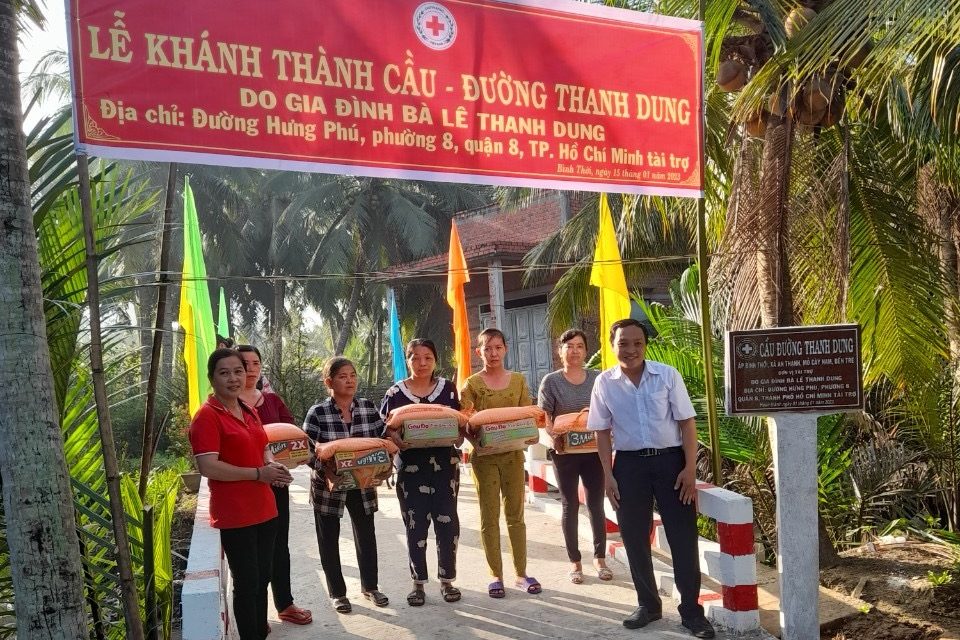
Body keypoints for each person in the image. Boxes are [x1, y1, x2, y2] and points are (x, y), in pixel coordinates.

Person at [587, 319, 716, 638]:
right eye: (623, 343)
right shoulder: (604, 382)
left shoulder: (667, 376)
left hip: (671, 463)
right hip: (628, 466)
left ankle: (692, 612)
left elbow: (687, 423)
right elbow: (601, 432)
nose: (630, 350)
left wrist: (689, 468)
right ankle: (648, 604)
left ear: (645, 345)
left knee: (683, 537)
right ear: (612, 345)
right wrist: (608, 476)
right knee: (633, 537)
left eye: (637, 343)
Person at [189, 348, 293, 640]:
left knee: (262, 579)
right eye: (224, 373)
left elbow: (263, 446)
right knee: (247, 584)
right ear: (212, 378)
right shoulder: (207, 417)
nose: (233, 378)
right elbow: (208, 466)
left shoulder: (247, 409)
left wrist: (271, 465)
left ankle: (259, 631)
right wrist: (258, 474)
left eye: (238, 371)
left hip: (265, 508)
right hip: (236, 514)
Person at [379, 339, 463, 607]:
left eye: (428, 357)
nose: (422, 363)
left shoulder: (448, 390)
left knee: (447, 523)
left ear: (436, 360)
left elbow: (460, 424)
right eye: (415, 358)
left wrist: (460, 435)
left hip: (445, 467)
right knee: (415, 524)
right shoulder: (395, 393)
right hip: (411, 468)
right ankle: (418, 583)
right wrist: (394, 438)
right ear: (407, 361)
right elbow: (385, 428)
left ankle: (447, 580)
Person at [302, 356, 389, 613]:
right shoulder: (318, 413)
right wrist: (326, 470)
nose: (349, 381)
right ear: (329, 382)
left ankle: (370, 586)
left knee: (366, 535)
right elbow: (307, 449)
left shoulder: (367, 408)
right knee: (328, 538)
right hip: (328, 487)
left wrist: (385, 467)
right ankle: (338, 593)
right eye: (342, 376)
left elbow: (382, 440)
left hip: (363, 484)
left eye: (352, 375)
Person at [460, 328, 541, 598]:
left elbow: (527, 416)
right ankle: (495, 575)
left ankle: (521, 573)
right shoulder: (472, 384)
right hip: (484, 459)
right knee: (489, 516)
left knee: (516, 515)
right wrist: (477, 441)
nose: (493, 353)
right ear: (479, 352)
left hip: (513, 457)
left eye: (497, 347)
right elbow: (465, 422)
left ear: (505, 349)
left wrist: (528, 435)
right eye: (487, 348)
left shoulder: (518, 381)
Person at [236, 345, 312, 626]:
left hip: (277, 484)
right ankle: (258, 614)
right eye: (245, 363)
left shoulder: (272, 401)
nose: (251, 369)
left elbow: (294, 439)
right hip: (244, 486)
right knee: (251, 551)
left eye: (256, 363)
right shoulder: (225, 405)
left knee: (279, 546)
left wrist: (300, 456)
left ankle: (285, 604)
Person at [537, 329, 612, 585]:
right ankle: (575, 562)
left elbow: (607, 411)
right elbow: (545, 417)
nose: (575, 351)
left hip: (594, 452)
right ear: (560, 352)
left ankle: (600, 558)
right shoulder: (551, 382)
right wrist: (554, 439)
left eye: (580, 346)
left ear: (586, 351)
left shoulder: (598, 379)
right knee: (569, 504)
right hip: (564, 453)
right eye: (569, 346)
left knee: (596, 504)